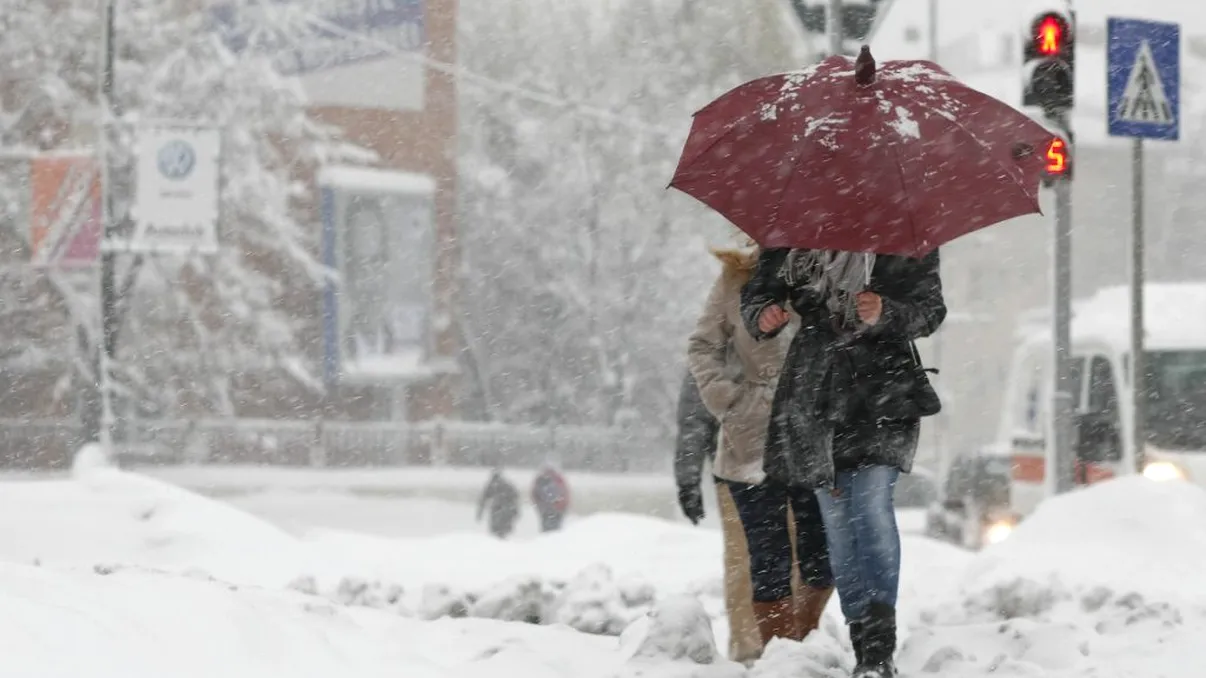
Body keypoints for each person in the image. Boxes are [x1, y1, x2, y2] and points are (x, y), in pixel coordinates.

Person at [741, 248, 945, 678]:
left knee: (870, 505)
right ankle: (862, 639)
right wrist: (763, 313)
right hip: (815, 391)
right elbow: (758, 292)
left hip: (884, 391)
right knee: (837, 520)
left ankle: (878, 646)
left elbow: (930, 310)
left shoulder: (902, 233)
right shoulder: (795, 229)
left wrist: (886, 312)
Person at [686, 243, 835, 654]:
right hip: (751, 435)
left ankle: (803, 644)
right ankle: (776, 656)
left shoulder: (835, 268)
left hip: (817, 431)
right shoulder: (738, 277)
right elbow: (703, 346)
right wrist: (730, 402)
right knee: (766, 558)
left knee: (821, 556)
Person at [477, 467, 520, 539]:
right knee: (501, 529)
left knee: (498, 529)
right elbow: (515, 497)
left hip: (501, 509)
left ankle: (499, 540)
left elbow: (483, 499)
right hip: (503, 509)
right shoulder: (505, 485)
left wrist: (480, 512)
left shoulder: (494, 485)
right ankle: (501, 540)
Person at [532, 462, 570, 532]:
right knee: (555, 529)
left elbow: (534, 494)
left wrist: (539, 506)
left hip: (545, 509)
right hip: (557, 509)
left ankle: (547, 539)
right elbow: (565, 494)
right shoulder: (558, 479)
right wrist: (563, 508)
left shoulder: (540, 479)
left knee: (546, 529)